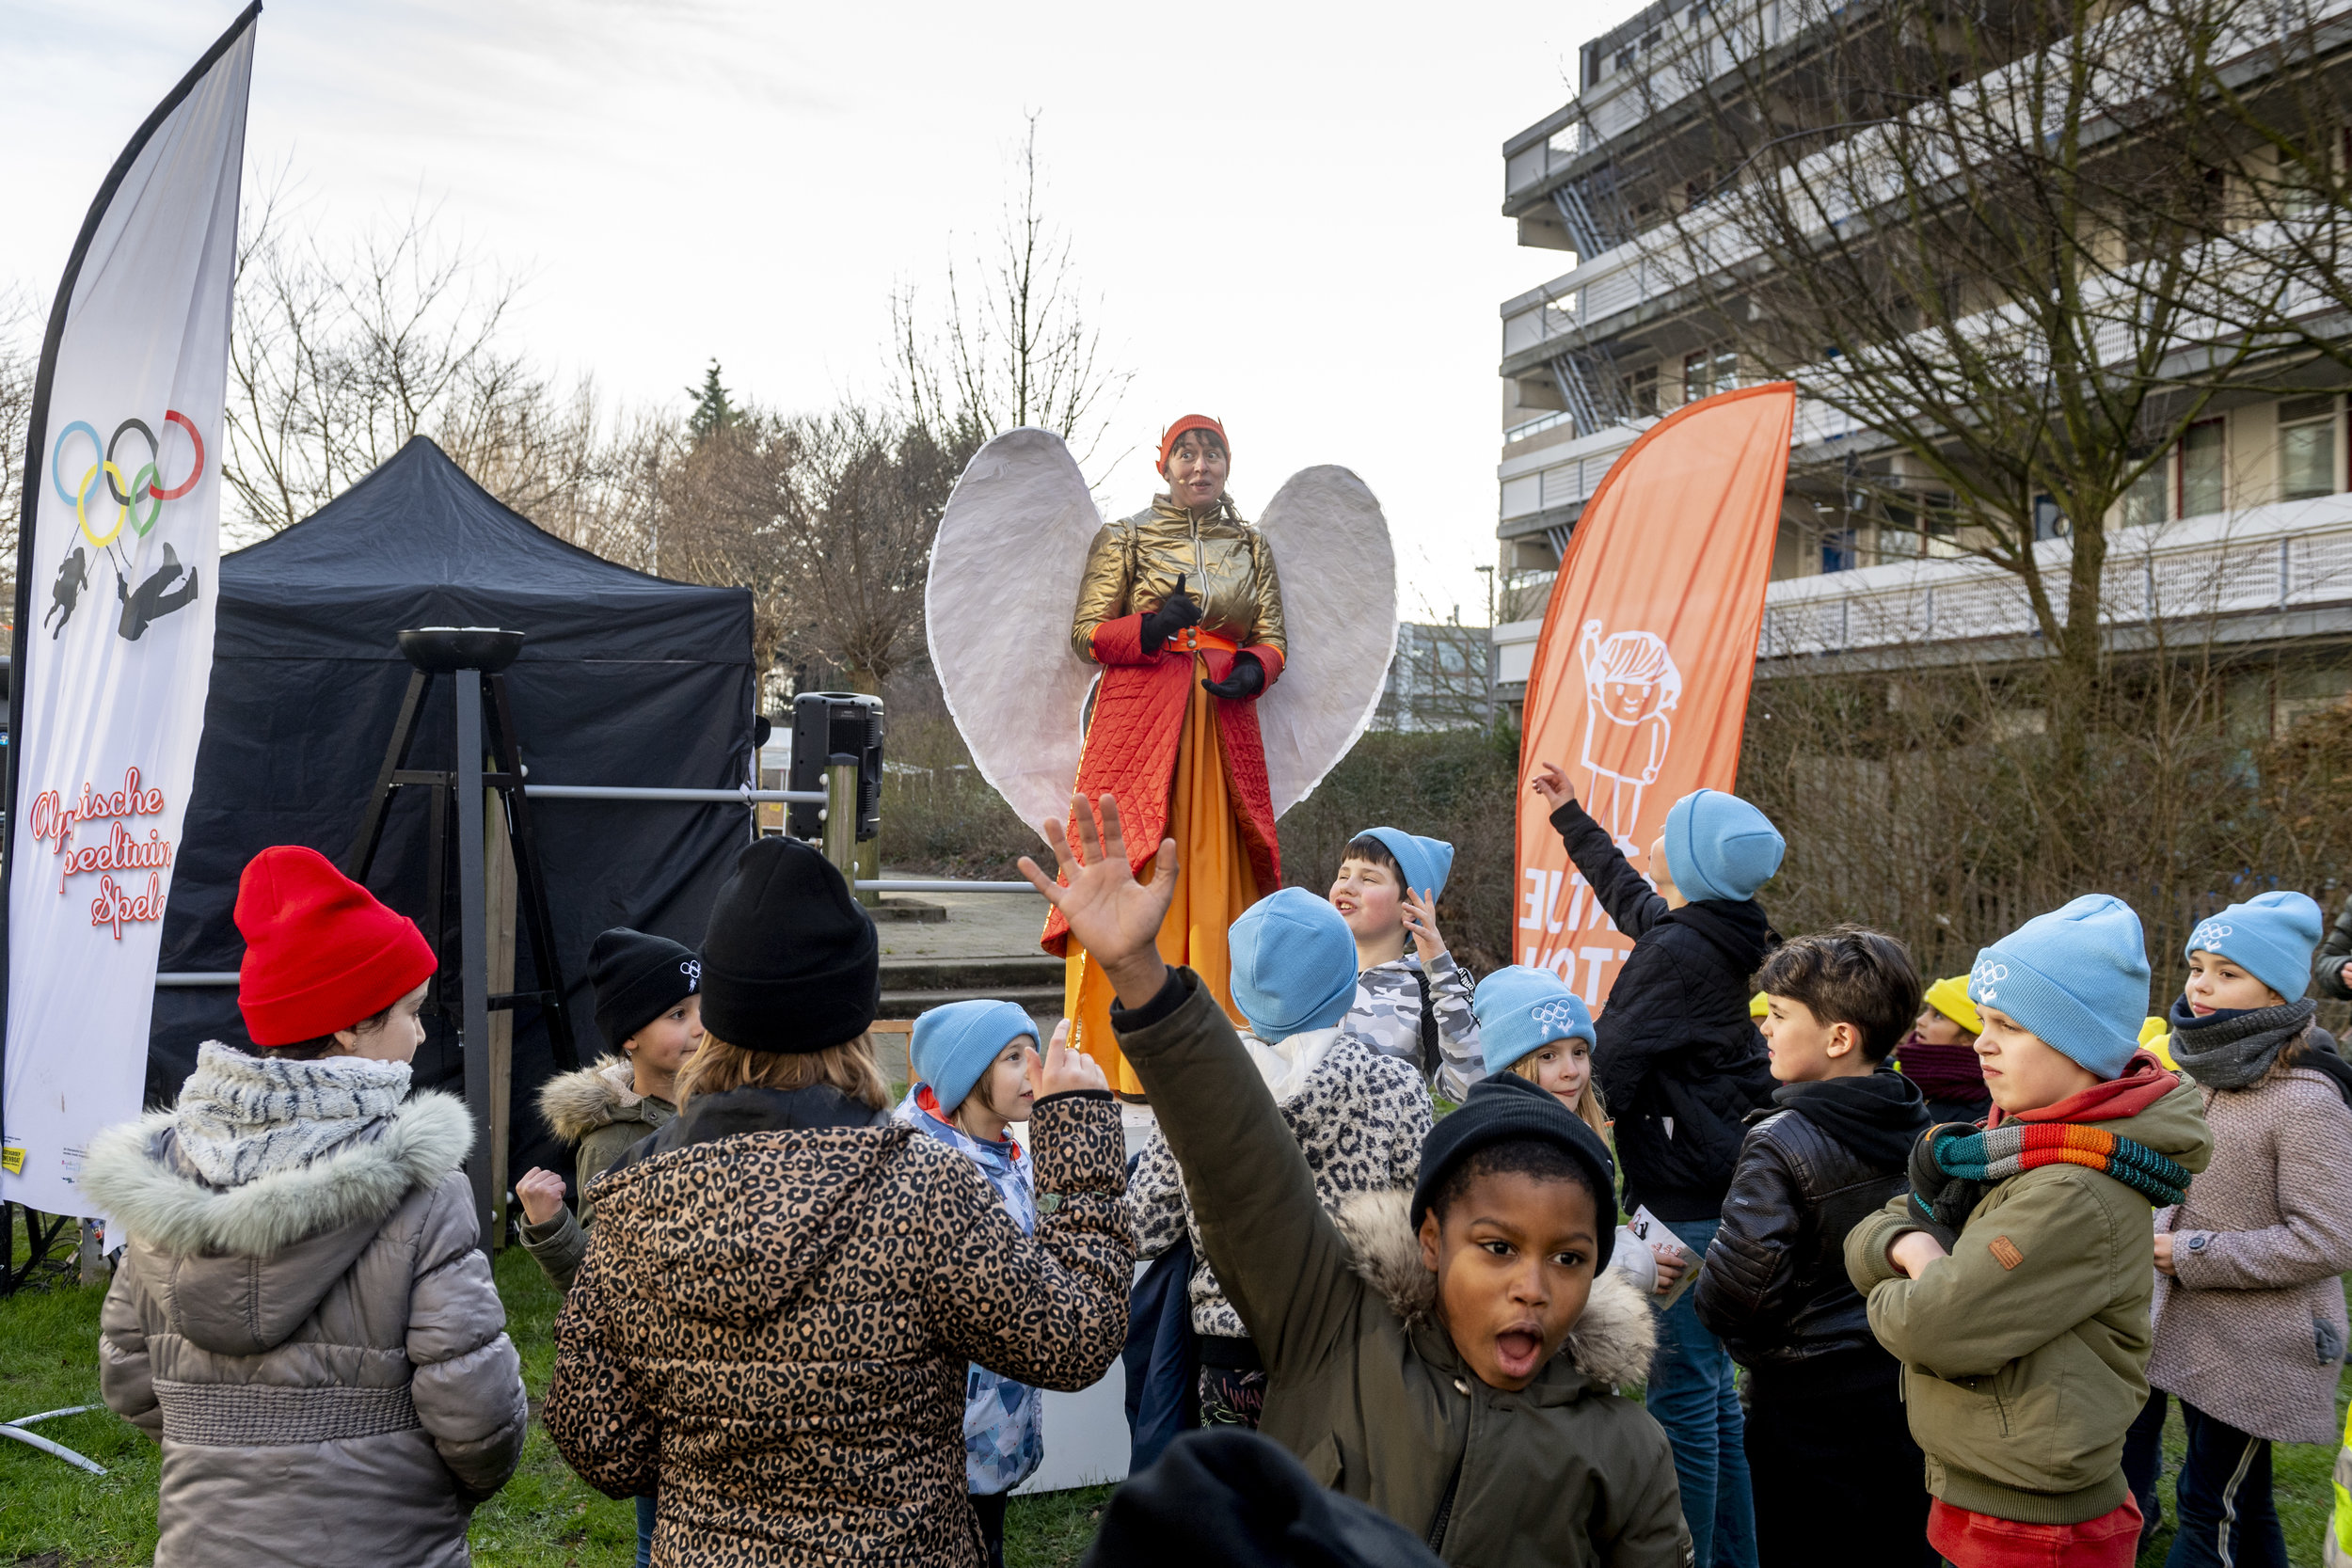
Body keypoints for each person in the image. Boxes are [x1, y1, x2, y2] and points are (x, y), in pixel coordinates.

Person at [1022, 792, 1691, 1566]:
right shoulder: (1335, 1338)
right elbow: (1235, 1156)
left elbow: (1181, 1185)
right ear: (1431, 1234)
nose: (1533, 1286)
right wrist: (1138, 973)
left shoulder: (1627, 1449)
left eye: (1569, 1256)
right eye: (1498, 1247)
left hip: (1220, 1352)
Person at [542, 837, 1132, 1566]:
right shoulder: (927, 1189)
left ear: (719, 1018)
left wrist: (717, 1466)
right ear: (853, 1017)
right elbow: (1073, 1337)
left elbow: (597, 1436)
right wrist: (1077, 1144)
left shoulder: (636, 1200)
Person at [84, 846, 528, 1568]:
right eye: (411, 1011)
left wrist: (227, 1445)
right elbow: (476, 1410)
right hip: (386, 1541)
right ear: (350, 1026)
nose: (421, 1032)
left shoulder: (165, 1169)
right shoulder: (420, 1180)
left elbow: (130, 1377)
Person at [1846, 895, 2214, 1568]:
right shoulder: (2015, 1145)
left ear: (2079, 1043)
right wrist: (1912, 1245)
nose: (1981, 1040)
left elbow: (1934, 1326)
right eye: (1983, 1021)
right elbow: (1880, 1230)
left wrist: (1917, 1259)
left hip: (2031, 1523)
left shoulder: (2072, 1188)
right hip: (1989, 1486)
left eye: (2008, 1025)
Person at [1530, 762, 1778, 1568]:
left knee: (1685, 1401)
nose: (1657, 843)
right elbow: (1637, 903)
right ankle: (1738, 1554)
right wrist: (1572, 818)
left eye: (1674, 835)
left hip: (1683, 1198)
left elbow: (1611, 1059)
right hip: (1720, 1187)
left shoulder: (1675, 954)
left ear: (1698, 865)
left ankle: (1691, 1554)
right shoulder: (1719, 928)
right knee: (1713, 1395)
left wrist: (1537, 1128)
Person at [1126, 886, 1430, 1429]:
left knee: (1239, 1509)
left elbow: (1145, 1227)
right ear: (1346, 987)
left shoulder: (1198, 1090)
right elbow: (1427, 1225)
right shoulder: (1394, 1085)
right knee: (1338, 1505)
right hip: (1354, 1339)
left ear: (1240, 996)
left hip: (1230, 1346)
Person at [1048, 415, 1289, 1098]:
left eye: (1212, 452)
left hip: (1223, 722)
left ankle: (1221, 1045)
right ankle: (1109, 1052)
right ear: (1164, 464)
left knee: (1220, 873)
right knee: (1128, 862)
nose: (1199, 465)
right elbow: (1086, 634)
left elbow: (1273, 633)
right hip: (1139, 719)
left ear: (1226, 465)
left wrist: (1256, 668)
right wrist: (1150, 626)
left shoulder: (1252, 545)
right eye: (1186, 452)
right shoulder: (1124, 537)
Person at [2122, 892, 2352, 1568]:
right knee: (2244, 1505)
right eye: (2198, 966)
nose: (2200, 983)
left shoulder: (2309, 1098)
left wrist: (2188, 1252)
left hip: (2260, 1346)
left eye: (2227, 971)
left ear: (2275, 989)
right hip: (2192, 1333)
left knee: (2207, 1507)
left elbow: (2331, 1236)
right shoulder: (2192, 1071)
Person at [1695, 928, 1933, 1568]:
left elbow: (1734, 1296)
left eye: (1777, 1014)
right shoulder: (1920, 1119)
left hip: (1803, 1405)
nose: (1764, 1029)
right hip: (1905, 1385)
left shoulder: (1779, 1141)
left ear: (1838, 1037)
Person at [897, 998, 1050, 1568]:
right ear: (967, 1074)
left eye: (1033, 1051)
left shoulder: (1009, 1150)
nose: (1033, 1068)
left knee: (988, 1539)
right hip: (943, 1421)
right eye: (1013, 1057)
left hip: (999, 1410)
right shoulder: (926, 1167)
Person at [1475, 964, 1687, 1300]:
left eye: (1579, 1052)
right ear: (1512, 1069)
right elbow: (1536, 1253)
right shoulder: (1516, 1152)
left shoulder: (1576, 1130)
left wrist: (1622, 1240)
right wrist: (1634, 1263)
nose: (1571, 1071)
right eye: (1548, 1056)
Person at [516, 927, 705, 1292]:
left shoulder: (726, 1101)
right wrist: (550, 1225)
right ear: (631, 1036)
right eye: (679, 1014)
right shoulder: (612, 1145)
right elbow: (595, 1278)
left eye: (704, 1007)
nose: (701, 1027)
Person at [1330, 827, 1482, 1099]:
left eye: (1368, 879)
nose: (1346, 886)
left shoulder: (1428, 988)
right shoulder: (1315, 977)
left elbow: (1470, 1086)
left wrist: (1442, 974)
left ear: (1410, 906)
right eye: (1343, 875)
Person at [1896, 974, 1991, 1124]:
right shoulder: (1892, 1075)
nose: (1920, 1020)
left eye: (1938, 1016)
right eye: (1927, 1010)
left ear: (1970, 1038)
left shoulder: (1981, 1117)